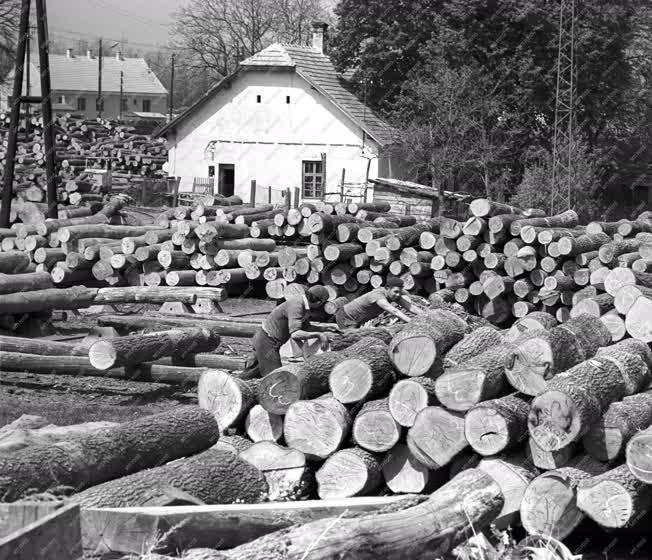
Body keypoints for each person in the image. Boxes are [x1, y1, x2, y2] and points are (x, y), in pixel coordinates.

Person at [243, 285, 338, 377]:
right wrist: (319, 334)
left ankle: (238, 386)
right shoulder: (297, 305)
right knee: (276, 377)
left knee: (253, 372)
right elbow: (296, 334)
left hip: (267, 339)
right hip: (266, 340)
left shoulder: (305, 306)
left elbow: (305, 328)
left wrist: (323, 329)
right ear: (319, 302)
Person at [335, 276, 414, 329]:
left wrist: (424, 315)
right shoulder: (378, 295)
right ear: (387, 288)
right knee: (352, 342)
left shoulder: (393, 294)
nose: (398, 294)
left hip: (357, 319)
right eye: (396, 291)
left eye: (400, 292)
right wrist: (412, 323)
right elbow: (394, 311)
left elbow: (411, 307)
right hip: (346, 317)